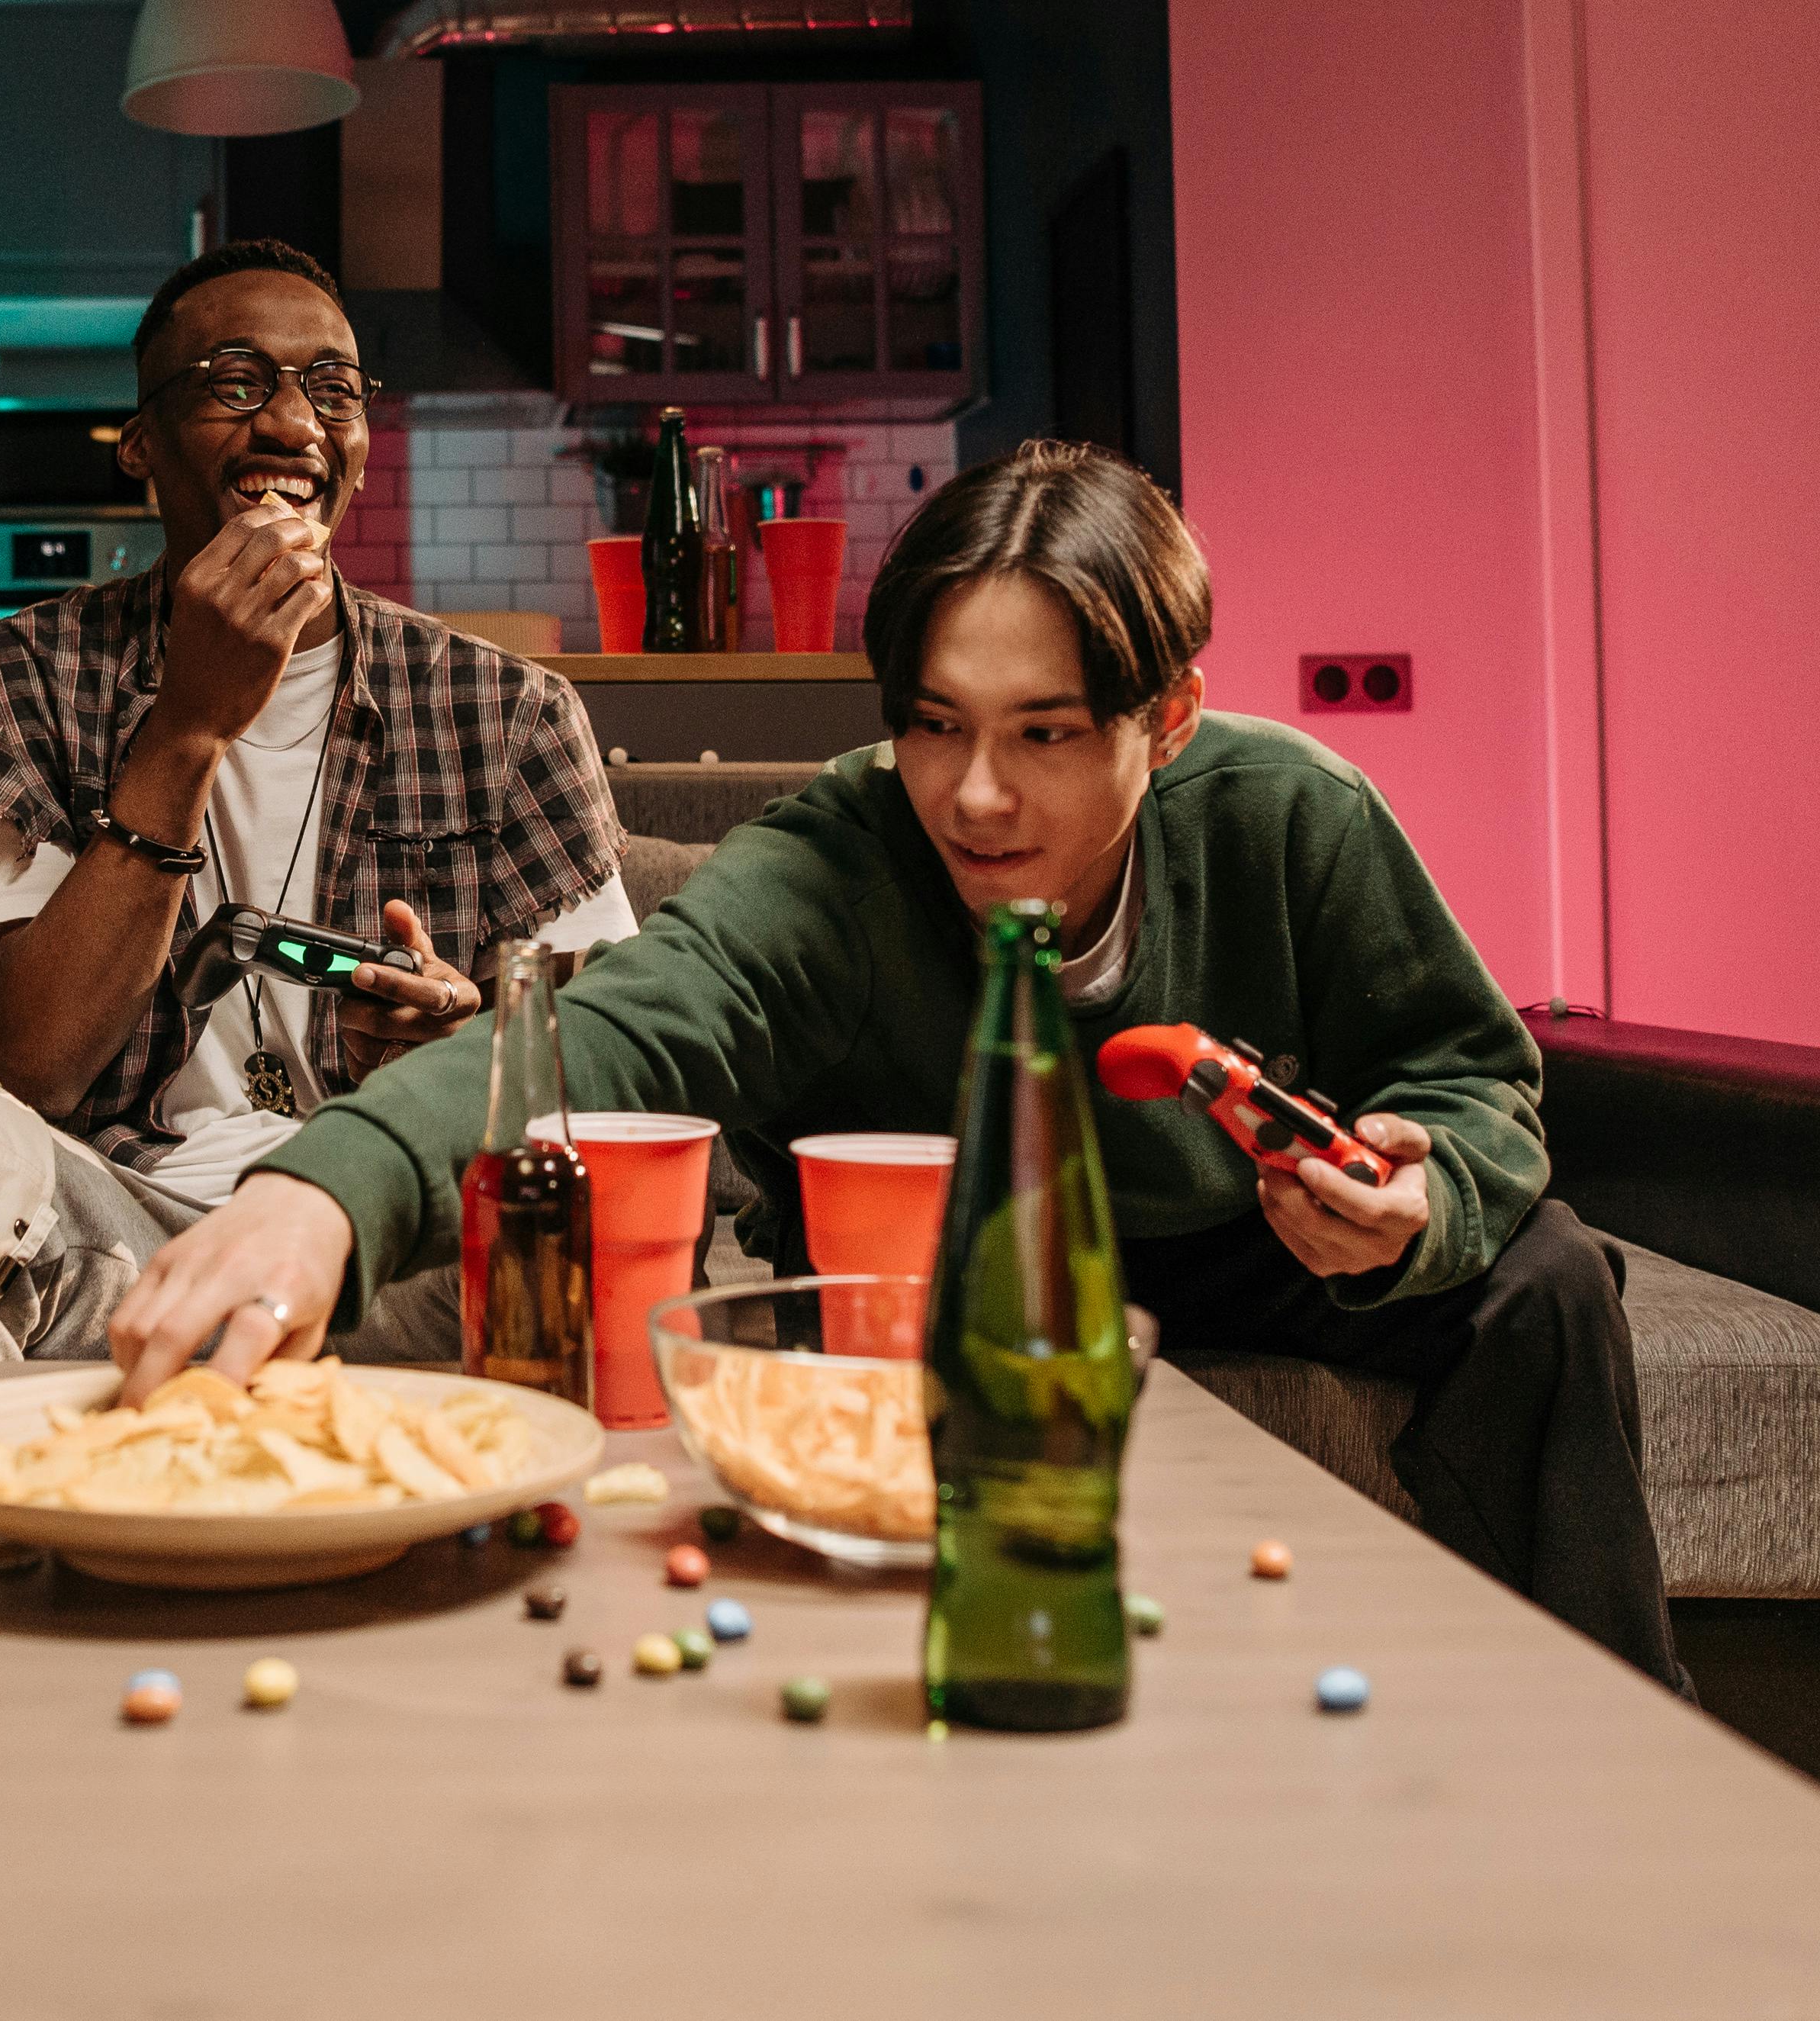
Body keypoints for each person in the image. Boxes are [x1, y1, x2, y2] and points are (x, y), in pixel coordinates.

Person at [121, 439, 1680, 1686]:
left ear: (1172, 716)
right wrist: (320, 1193)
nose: (977, 797)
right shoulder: (847, 853)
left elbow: (1473, 1079)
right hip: (925, 1274)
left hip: (1234, 1242)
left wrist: (1418, 1191)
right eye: (936, 724)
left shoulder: (1294, 814)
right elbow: (616, 1020)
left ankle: (1611, 1735)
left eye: (1047, 734)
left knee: (1543, 1272)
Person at [0, 240, 635, 1358]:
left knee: (589, 1193)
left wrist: (447, 1062)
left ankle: (143, 1387)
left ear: (361, 445)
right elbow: (40, 1058)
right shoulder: (10, 681)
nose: (292, 424)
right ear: (140, 444)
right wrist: (188, 724)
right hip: (120, 1226)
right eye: (237, 382)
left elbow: (603, 1067)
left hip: (392, 1226)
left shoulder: (511, 711)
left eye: (333, 389)